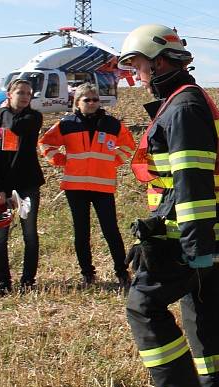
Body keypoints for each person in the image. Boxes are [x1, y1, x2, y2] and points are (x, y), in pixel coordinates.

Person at [117, 24, 219, 387]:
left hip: (189, 235)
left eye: (137, 65)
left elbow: (191, 183)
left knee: (143, 306)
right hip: (199, 231)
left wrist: (193, 245)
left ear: (160, 60)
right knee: (204, 313)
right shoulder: (183, 101)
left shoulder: (184, 108)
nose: (136, 75)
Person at [38, 83, 136, 289]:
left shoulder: (112, 124)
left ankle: (122, 271)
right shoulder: (66, 124)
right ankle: (88, 274)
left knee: (111, 230)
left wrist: (112, 161)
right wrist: (60, 160)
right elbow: (45, 143)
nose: (92, 103)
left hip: (103, 186)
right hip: (75, 187)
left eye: (95, 100)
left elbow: (128, 145)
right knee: (81, 232)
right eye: (87, 100)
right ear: (77, 103)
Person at [0, 79, 44, 296]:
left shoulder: (33, 117)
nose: (25, 96)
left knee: (30, 234)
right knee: (0, 237)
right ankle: (2, 282)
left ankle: (28, 281)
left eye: (28, 93)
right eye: (20, 92)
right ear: (9, 94)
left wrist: (3, 111)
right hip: (2, 189)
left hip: (28, 186)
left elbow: (15, 126)